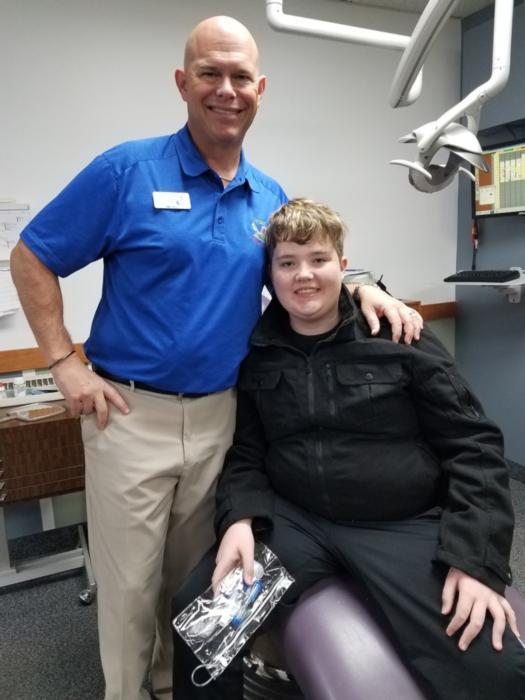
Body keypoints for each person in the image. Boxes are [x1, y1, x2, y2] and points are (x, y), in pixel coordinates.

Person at [10, 17, 423, 700]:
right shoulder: (126, 171)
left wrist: (367, 288)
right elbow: (32, 255)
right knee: (129, 588)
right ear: (183, 82)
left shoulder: (267, 196)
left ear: (259, 90)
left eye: (239, 77)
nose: (225, 89)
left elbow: (304, 272)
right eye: (210, 73)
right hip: (129, 414)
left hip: (222, 418)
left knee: (195, 580)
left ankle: (177, 688)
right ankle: (125, 692)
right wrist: (63, 362)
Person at [172, 198, 525, 700]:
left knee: (494, 669)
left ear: (342, 265)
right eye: (287, 263)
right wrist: (238, 520)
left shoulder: (400, 336)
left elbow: (474, 445)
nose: (304, 276)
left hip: (401, 524)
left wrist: (476, 560)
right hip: (299, 524)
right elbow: (247, 453)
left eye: (317, 260)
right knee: (202, 625)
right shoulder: (259, 353)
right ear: (270, 275)